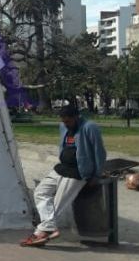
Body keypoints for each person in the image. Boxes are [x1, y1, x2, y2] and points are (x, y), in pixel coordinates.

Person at [21, 104, 106, 247]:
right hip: (63, 167)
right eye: (63, 121)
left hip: (78, 171)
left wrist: (96, 175)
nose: (66, 124)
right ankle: (50, 228)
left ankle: (40, 233)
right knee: (40, 192)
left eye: (68, 121)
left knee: (58, 204)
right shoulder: (63, 127)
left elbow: (100, 152)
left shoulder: (89, 128)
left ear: (76, 117)